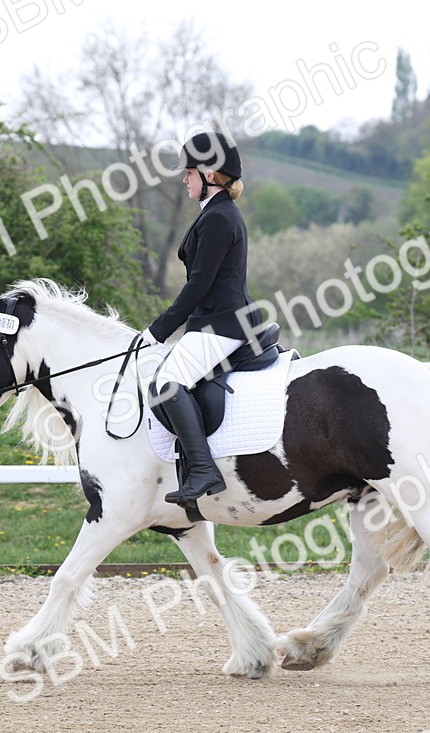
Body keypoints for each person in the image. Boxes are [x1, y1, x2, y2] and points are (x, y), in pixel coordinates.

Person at [141, 131, 262, 507]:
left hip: (223, 324)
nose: (184, 179)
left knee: (167, 383)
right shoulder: (216, 213)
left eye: (190, 172)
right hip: (216, 321)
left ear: (210, 174)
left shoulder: (219, 218)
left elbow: (198, 285)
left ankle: (203, 468)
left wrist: (158, 330)